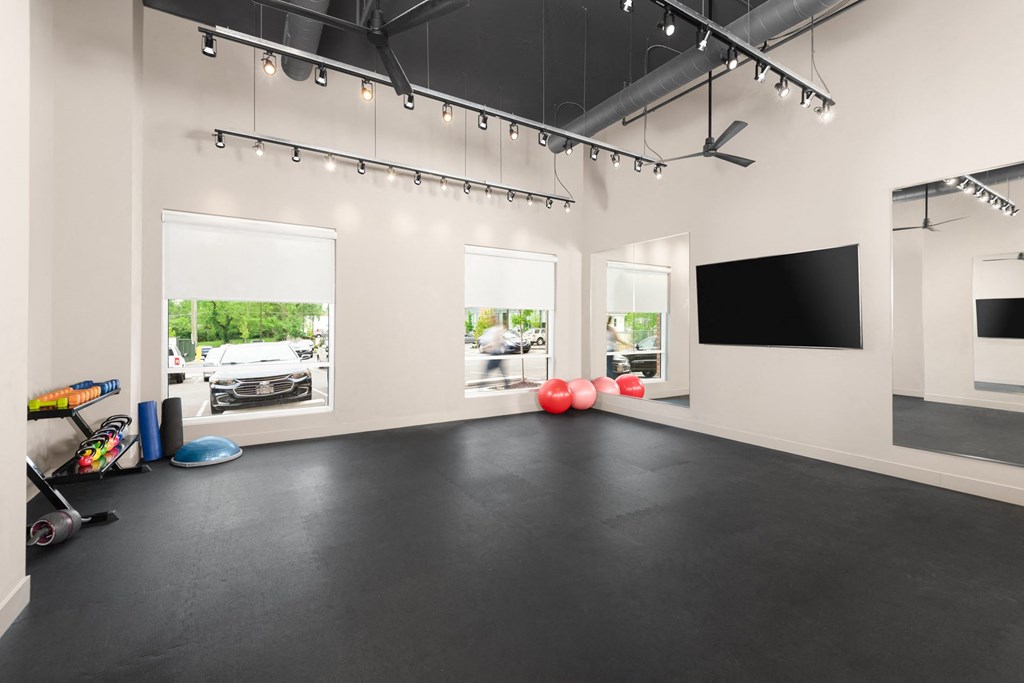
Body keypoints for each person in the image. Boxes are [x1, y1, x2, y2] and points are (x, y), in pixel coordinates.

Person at [480, 321, 510, 389]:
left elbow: (493, 343)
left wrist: (484, 347)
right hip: (498, 354)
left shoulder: (495, 332)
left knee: (486, 371)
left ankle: (481, 386)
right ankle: (507, 384)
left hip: (495, 354)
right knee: (502, 371)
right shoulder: (497, 332)